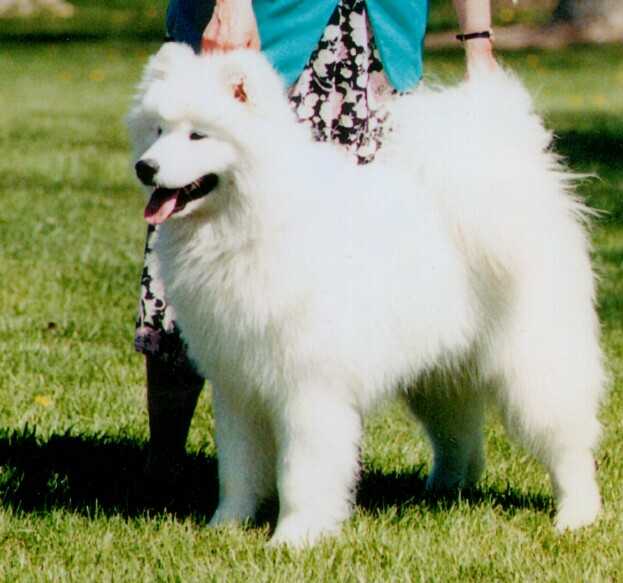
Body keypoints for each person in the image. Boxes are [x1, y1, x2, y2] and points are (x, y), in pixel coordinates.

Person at [137, 0, 497, 484]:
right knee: (197, 272)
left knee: (339, 302)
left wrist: (478, 40)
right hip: (261, 32)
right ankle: (169, 468)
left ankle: (321, 470)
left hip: (373, 38)